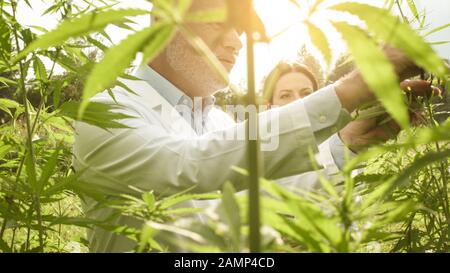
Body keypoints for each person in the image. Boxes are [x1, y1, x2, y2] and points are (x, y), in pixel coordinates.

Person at [73, 0, 424, 252]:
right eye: (216, 23)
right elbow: (188, 166)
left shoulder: (218, 120)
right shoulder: (108, 111)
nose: (236, 41)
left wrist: (343, 144)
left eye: (239, 30)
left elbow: (263, 195)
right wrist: (347, 91)